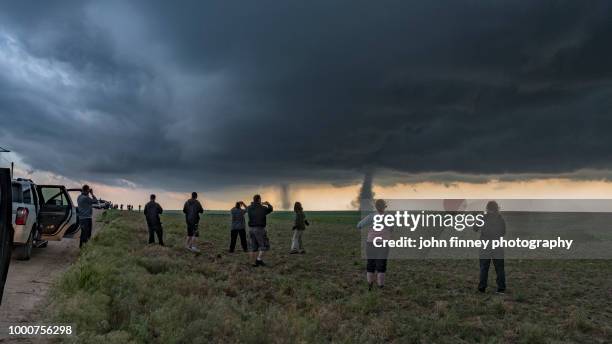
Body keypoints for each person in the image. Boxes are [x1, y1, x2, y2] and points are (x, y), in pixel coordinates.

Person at [357, 199, 390, 290]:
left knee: (370, 264)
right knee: (381, 265)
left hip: (371, 243)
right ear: (384, 207)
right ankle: (381, 287)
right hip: (383, 243)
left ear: (376, 207)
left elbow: (359, 225)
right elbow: (392, 228)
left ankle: (370, 286)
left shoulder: (371, 216)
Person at [474, 201, 506, 294]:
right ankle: (501, 289)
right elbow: (503, 232)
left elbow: (475, 228)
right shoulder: (500, 219)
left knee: (484, 267)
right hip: (497, 245)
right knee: (499, 268)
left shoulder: (483, 218)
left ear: (487, 208)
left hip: (485, 245)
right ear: (497, 208)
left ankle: (482, 288)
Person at [247, 194, 273, 267]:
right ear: (259, 199)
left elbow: (247, 209)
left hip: (251, 229)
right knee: (264, 245)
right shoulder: (263, 208)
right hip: (260, 229)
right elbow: (270, 209)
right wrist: (268, 204)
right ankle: (258, 260)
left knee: (253, 247)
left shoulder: (249, 208)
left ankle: (253, 263)